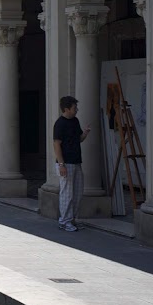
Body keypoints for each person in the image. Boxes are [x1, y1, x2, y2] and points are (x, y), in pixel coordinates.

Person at [53, 95, 92, 232]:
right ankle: (64, 221)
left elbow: (79, 139)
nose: (77, 110)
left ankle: (72, 219)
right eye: (74, 108)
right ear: (66, 109)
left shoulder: (75, 121)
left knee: (77, 192)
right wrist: (61, 164)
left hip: (76, 161)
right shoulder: (60, 124)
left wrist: (86, 133)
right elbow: (57, 145)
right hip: (66, 163)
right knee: (67, 194)